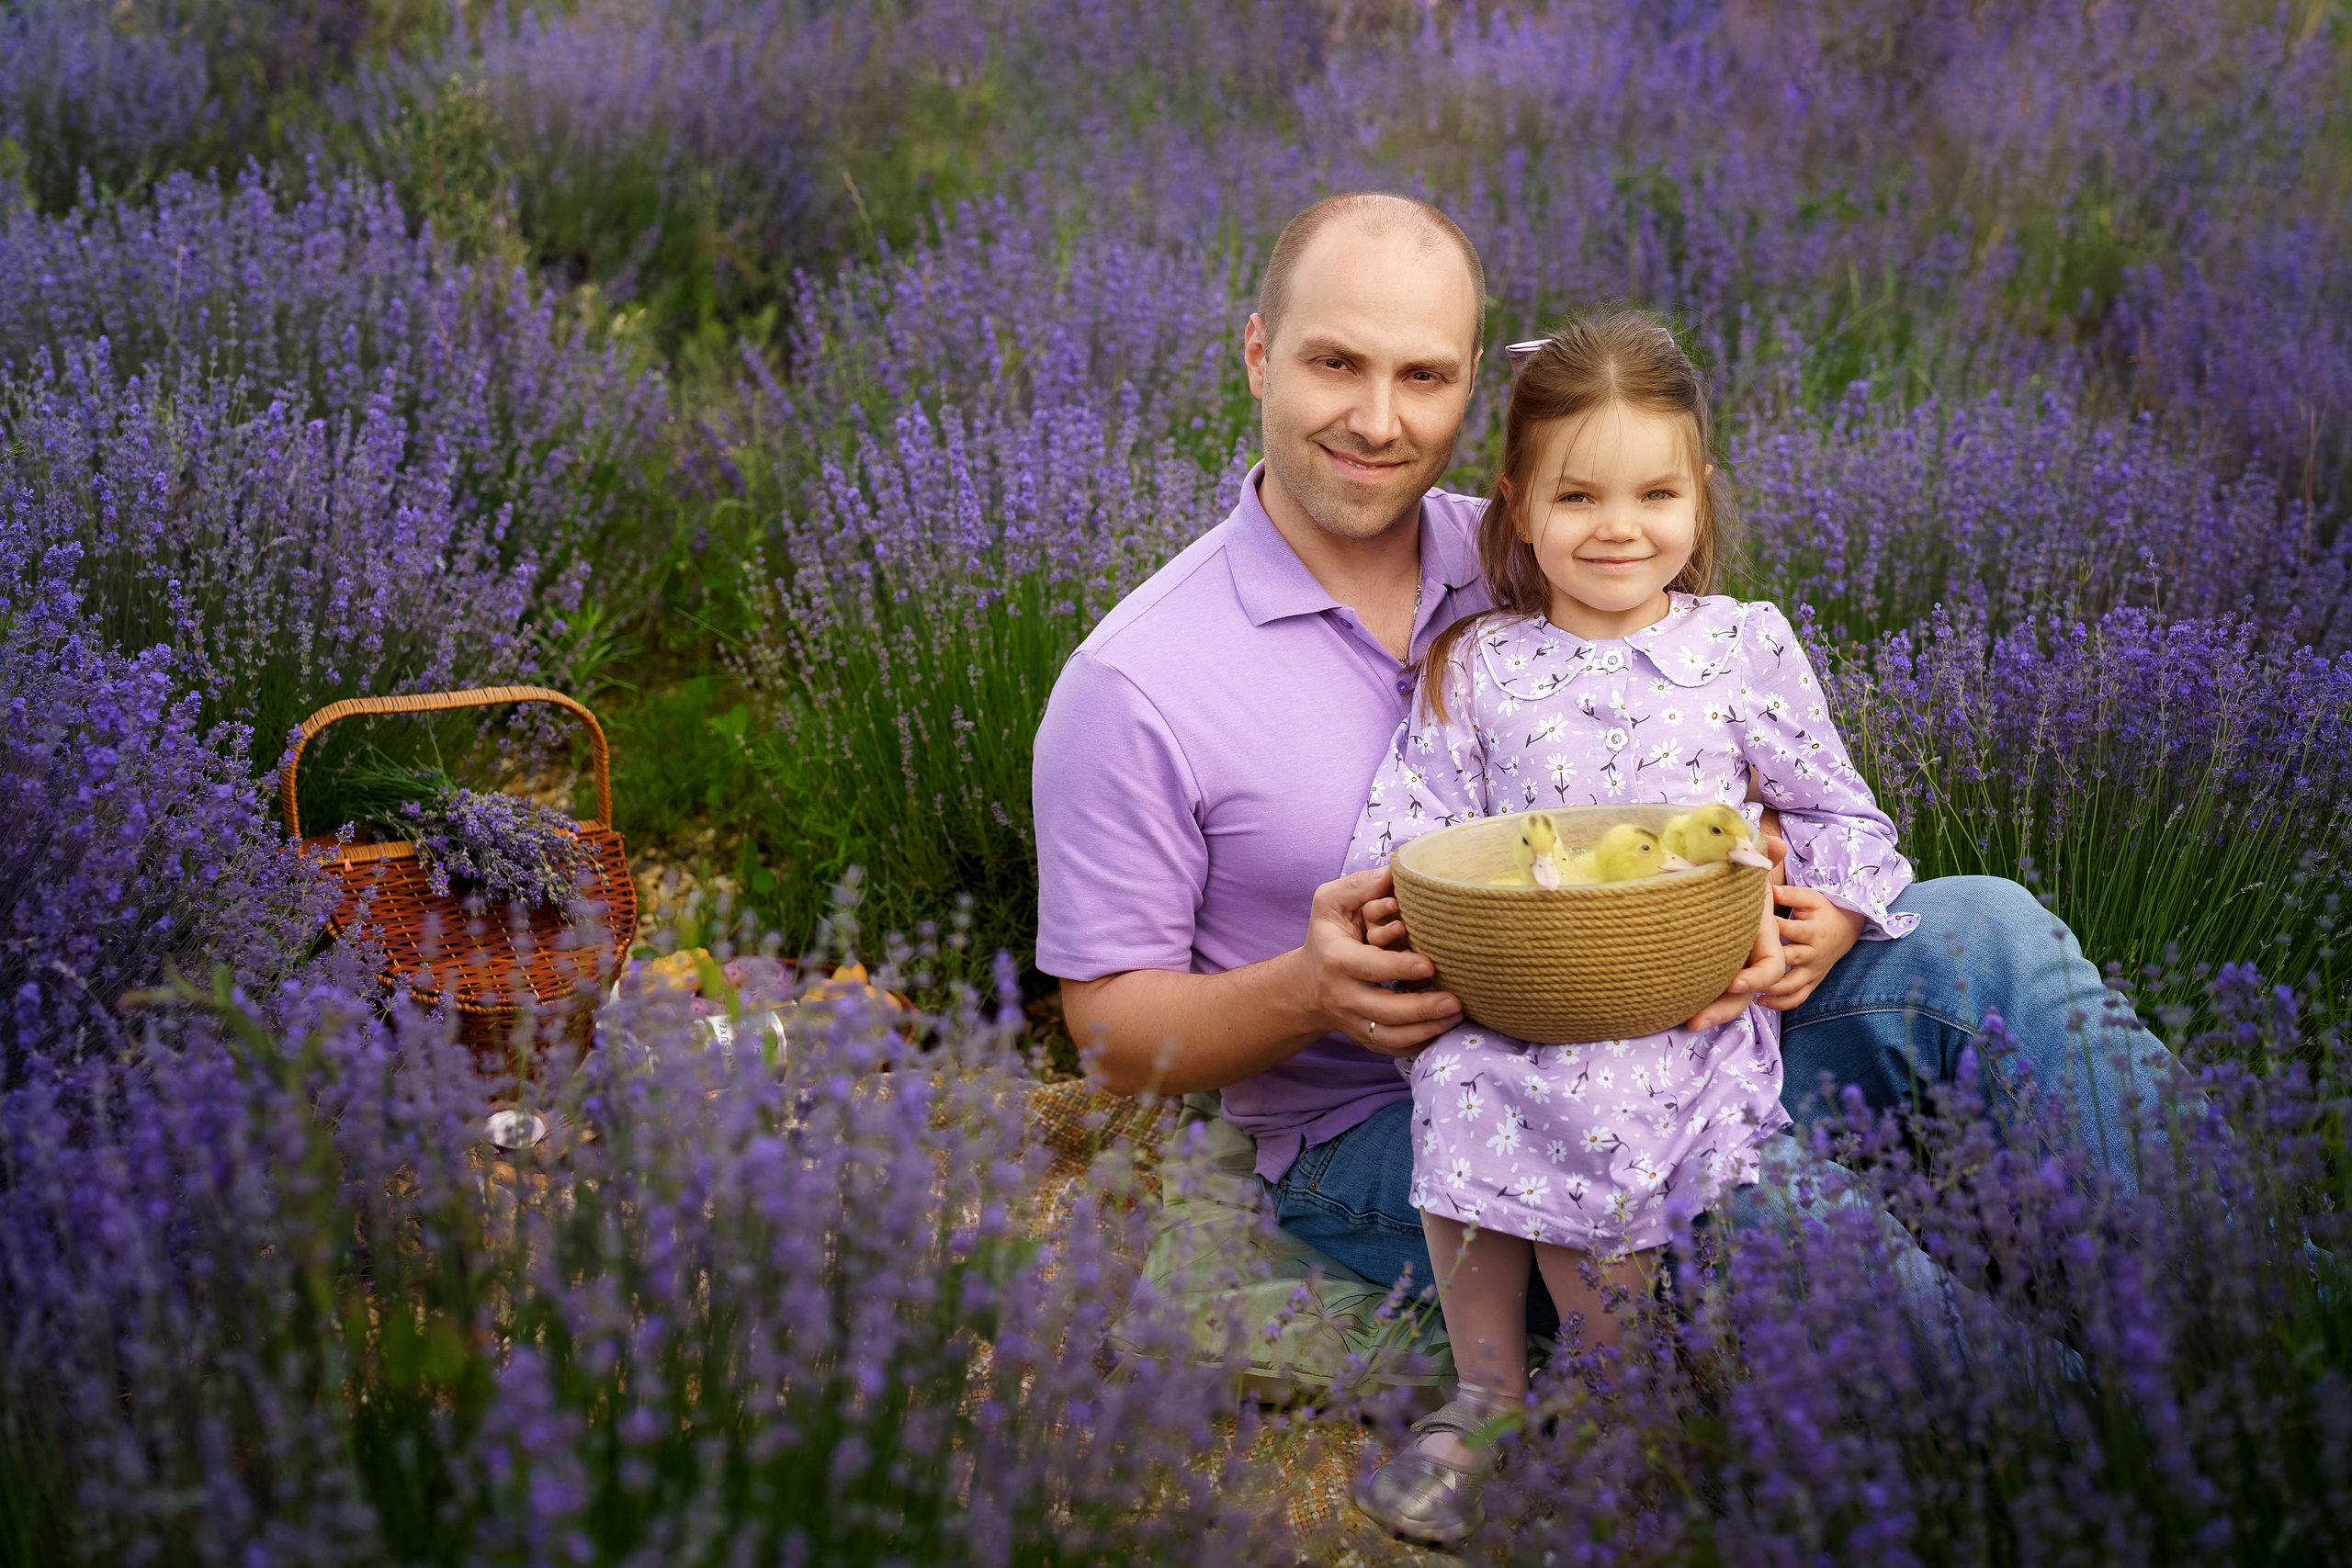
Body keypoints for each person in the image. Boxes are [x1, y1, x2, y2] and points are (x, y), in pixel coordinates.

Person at [1029, 189, 2165, 1511]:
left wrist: (1797, 891)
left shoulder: (1528, 545)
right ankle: (2135, 1469)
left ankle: (2269, 1310)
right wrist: (1312, 989)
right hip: (1399, 1121)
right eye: (1336, 362)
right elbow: (1108, 1037)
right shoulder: (1136, 682)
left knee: (1985, 932)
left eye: (1423, 376)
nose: (1379, 420)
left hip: (1675, 1018)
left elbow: (1695, 735)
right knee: (1738, 1195)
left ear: (1473, 387)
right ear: (1257, 354)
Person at [1332, 310, 1921, 1542]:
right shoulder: (1478, 664)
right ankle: (1486, 1393)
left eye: (1657, 493)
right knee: (1460, 1081)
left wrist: (1830, 916)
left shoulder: (1741, 647)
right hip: (1515, 989)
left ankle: (1608, 1398)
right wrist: (1397, 926)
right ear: (1517, 509)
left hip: (1674, 1004)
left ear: (1700, 497)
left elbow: (1840, 814)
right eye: (1578, 494)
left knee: (1605, 1103)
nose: (1619, 527)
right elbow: (1405, 837)